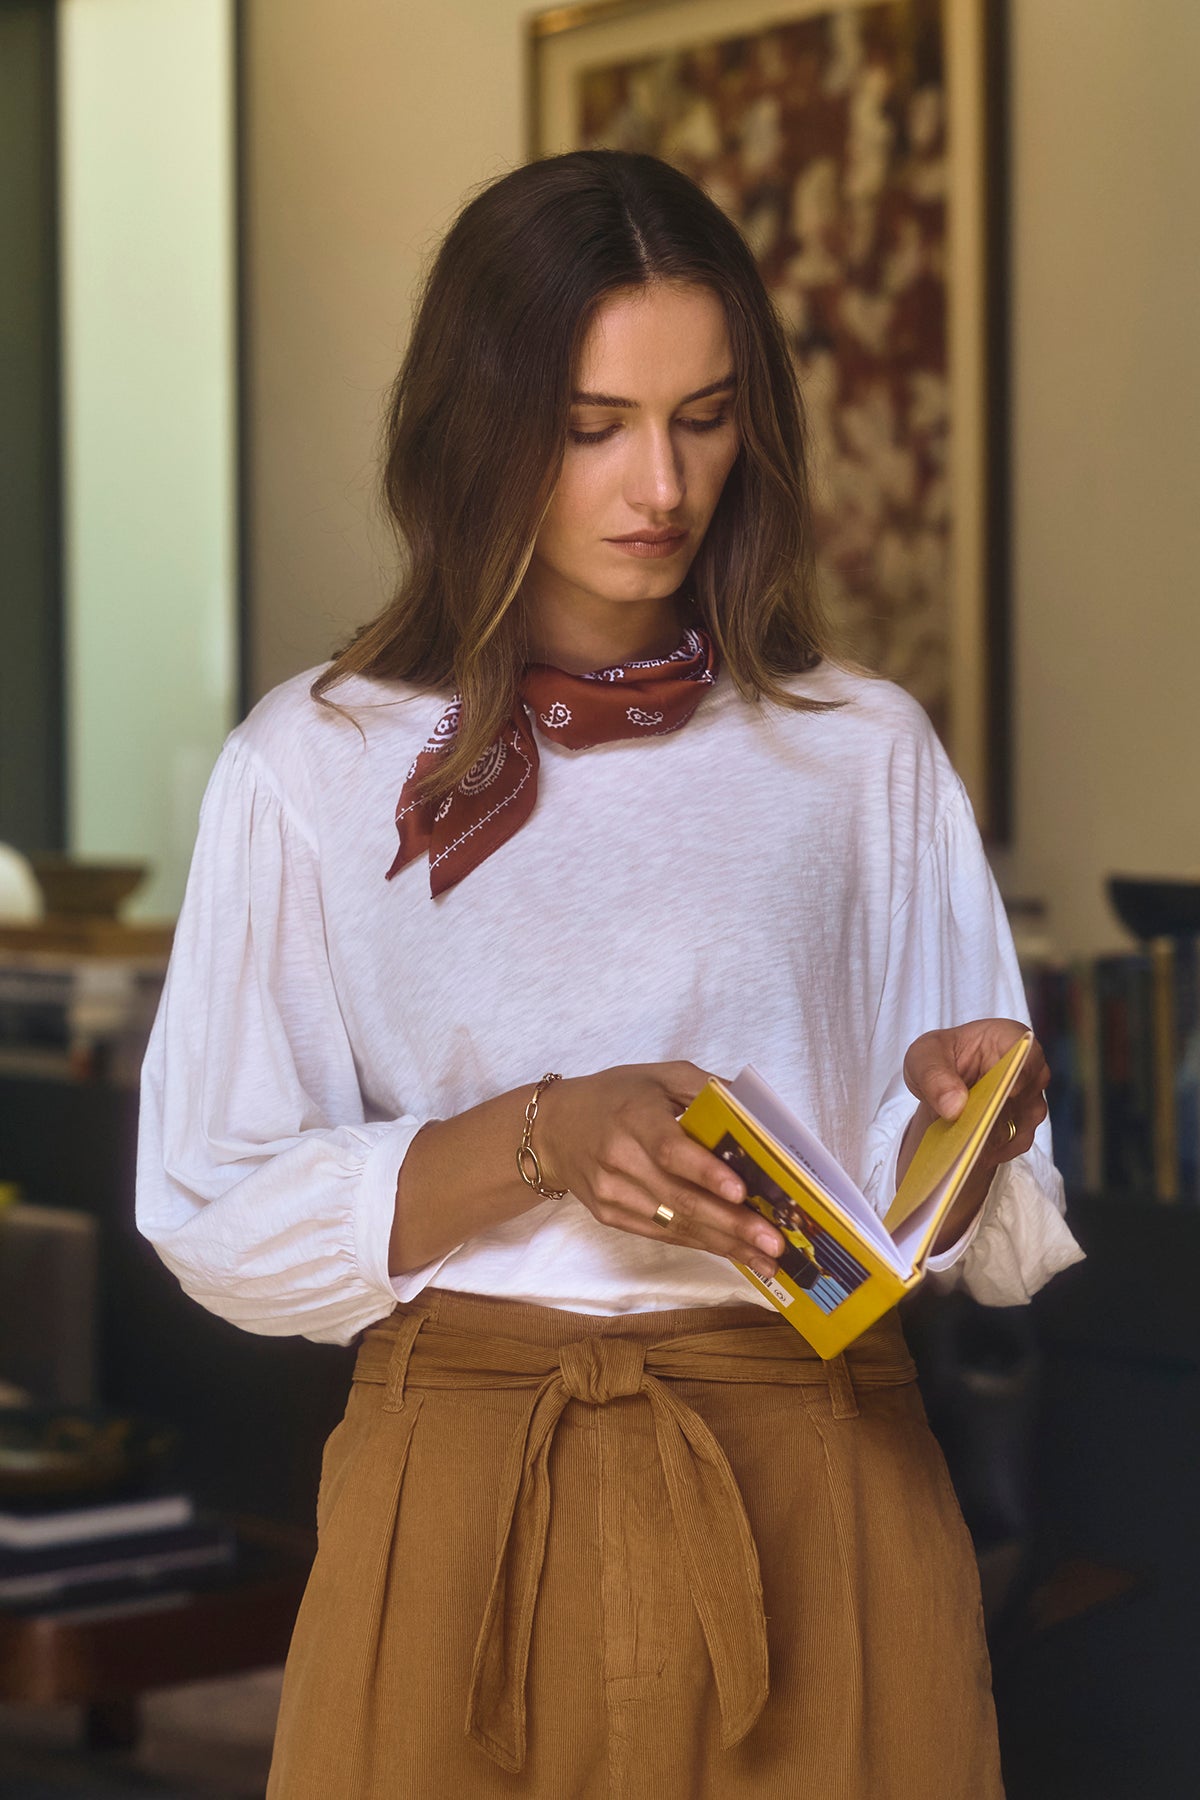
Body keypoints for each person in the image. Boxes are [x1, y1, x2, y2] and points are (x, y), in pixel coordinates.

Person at [136, 150, 1084, 1799]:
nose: (662, 482)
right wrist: (536, 1137)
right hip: (460, 1497)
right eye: (591, 427)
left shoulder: (861, 752)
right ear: (476, 425)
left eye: (704, 416)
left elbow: (983, 1246)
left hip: (822, 1479)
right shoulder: (317, 763)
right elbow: (210, 1203)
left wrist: (969, 1125)